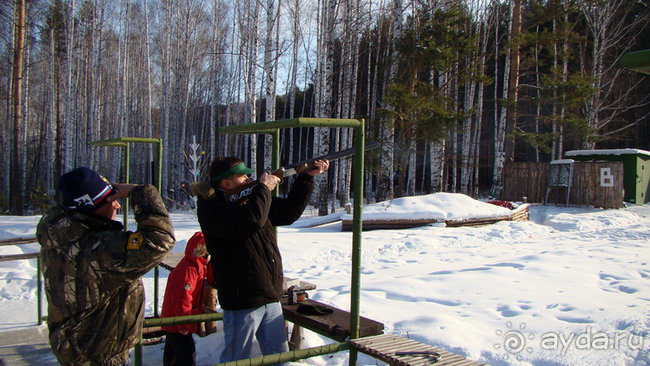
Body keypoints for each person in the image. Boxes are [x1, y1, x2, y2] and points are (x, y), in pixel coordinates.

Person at [193, 157, 329, 364]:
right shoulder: (213, 209)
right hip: (242, 300)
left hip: (269, 294)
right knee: (235, 360)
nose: (249, 178)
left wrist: (306, 179)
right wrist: (263, 189)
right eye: (243, 176)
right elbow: (250, 221)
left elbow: (288, 212)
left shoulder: (250, 200)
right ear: (226, 183)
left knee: (279, 359)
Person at [36, 167, 176, 366]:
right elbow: (160, 240)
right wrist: (141, 193)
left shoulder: (62, 235)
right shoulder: (96, 250)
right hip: (99, 356)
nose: (118, 205)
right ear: (91, 208)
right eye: (111, 200)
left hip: (76, 350)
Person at [160, 231, 212, 366]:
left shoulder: (196, 265)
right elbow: (183, 298)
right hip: (178, 321)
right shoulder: (190, 269)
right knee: (186, 356)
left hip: (175, 319)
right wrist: (184, 323)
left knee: (173, 356)